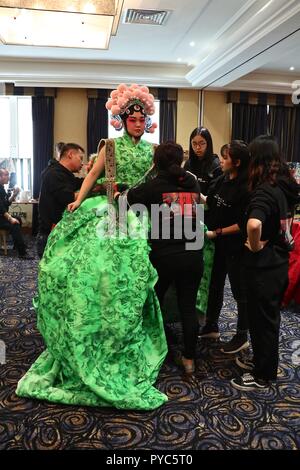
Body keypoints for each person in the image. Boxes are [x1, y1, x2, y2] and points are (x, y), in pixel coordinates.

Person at [16, 84, 168, 411]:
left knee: (133, 273)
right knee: (91, 265)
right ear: (123, 120)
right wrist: (78, 200)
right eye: (133, 120)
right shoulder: (110, 147)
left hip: (137, 213)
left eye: (142, 121)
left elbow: (158, 181)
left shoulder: (151, 152)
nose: (138, 125)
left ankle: (126, 328)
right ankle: (92, 323)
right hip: (110, 209)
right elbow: (92, 176)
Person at [115, 142, 203, 375]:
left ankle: (155, 349)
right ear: (181, 161)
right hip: (194, 252)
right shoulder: (192, 182)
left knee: (155, 303)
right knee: (187, 306)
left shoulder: (154, 185)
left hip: (165, 255)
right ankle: (189, 359)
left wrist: (117, 192)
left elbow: (127, 201)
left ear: (155, 163)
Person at [231, 135, 300, 391]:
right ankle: (263, 362)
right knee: (267, 320)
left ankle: (262, 375)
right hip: (279, 262)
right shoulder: (284, 185)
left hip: (263, 267)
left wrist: (256, 243)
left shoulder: (264, 190)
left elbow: (254, 223)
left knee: (262, 323)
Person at [199, 141, 250, 354]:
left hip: (235, 246)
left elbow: (242, 224)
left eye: (226, 157)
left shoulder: (246, 187)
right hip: (217, 244)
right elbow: (209, 200)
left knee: (240, 291)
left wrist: (217, 232)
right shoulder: (222, 179)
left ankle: (241, 335)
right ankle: (212, 325)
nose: (221, 160)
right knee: (215, 285)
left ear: (237, 162)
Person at [36, 143, 84, 258]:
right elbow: (69, 197)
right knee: (51, 272)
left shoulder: (65, 174)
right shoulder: (54, 173)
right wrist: (90, 190)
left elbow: (79, 183)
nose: (82, 163)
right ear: (70, 155)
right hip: (50, 234)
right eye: (80, 158)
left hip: (57, 231)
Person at [0, 169, 32, 259]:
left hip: (2, 216)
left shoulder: (2, 188)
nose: (8, 177)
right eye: (6, 175)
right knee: (14, 223)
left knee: (18, 218)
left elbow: (6, 203)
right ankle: (22, 253)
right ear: (0, 177)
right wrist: (10, 219)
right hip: (0, 217)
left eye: (8, 174)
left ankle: (17, 245)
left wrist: (14, 195)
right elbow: (1, 208)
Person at [184, 127, 222, 196]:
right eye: (194, 144)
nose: (198, 147)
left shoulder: (216, 165)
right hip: (190, 204)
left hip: (206, 205)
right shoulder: (188, 163)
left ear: (208, 144)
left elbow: (214, 195)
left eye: (202, 143)